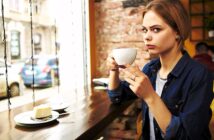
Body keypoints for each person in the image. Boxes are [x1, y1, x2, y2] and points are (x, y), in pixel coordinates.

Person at [106, 0, 213, 140]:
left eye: (156, 29)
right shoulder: (151, 69)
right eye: (145, 30)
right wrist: (114, 70)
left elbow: (185, 136)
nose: (147, 36)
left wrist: (150, 96)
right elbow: (117, 96)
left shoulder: (199, 75)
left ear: (178, 32)